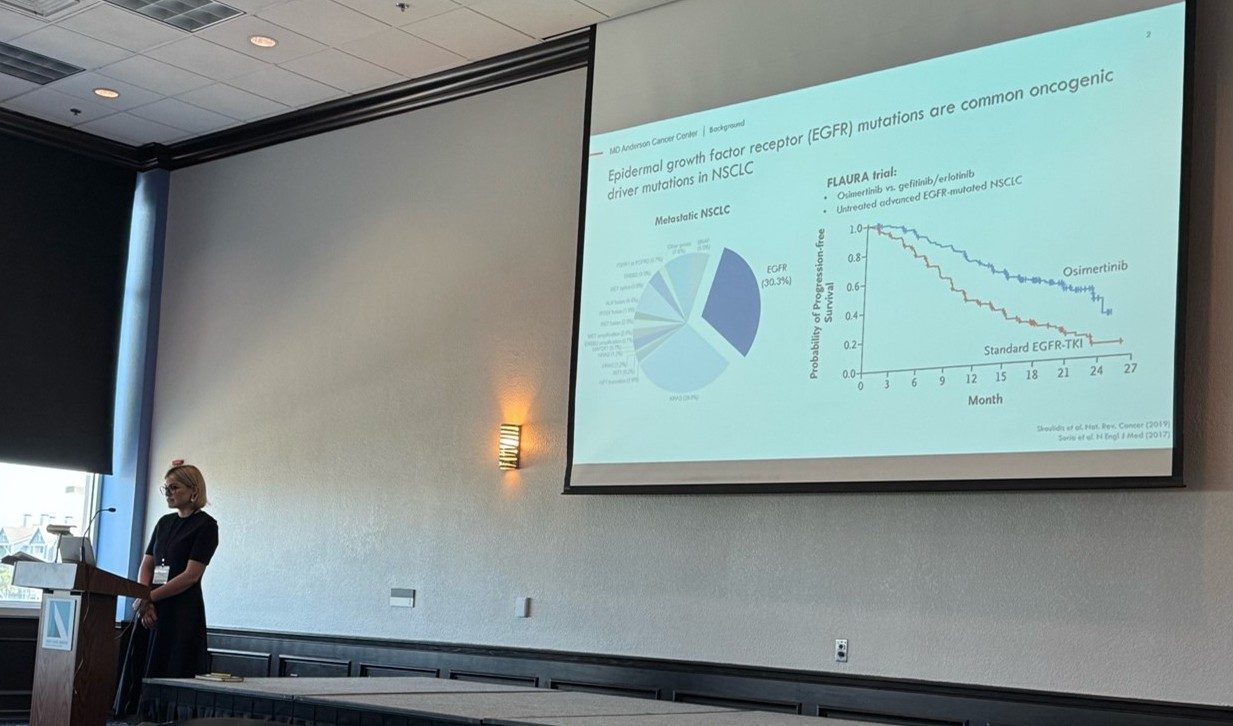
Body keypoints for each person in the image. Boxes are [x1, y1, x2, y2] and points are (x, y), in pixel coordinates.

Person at [114, 460, 219, 716]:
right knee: (143, 666)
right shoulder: (164, 522)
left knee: (173, 666)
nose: (169, 493)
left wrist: (148, 597)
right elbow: (147, 564)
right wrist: (144, 599)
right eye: (166, 489)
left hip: (181, 609)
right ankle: (140, 716)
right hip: (151, 605)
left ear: (193, 491)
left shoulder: (206, 525)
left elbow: (191, 576)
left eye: (174, 487)